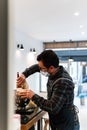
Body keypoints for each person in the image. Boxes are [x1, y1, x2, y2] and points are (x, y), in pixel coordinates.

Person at [16, 50, 80, 130]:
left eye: (42, 69)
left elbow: (53, 108)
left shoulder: (62, 82)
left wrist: (33, 96)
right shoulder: (54, 71)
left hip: (66, 125)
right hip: (57, 121)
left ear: (51, 68)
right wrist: (24, 74)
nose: (40, 70)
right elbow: (36, 67)